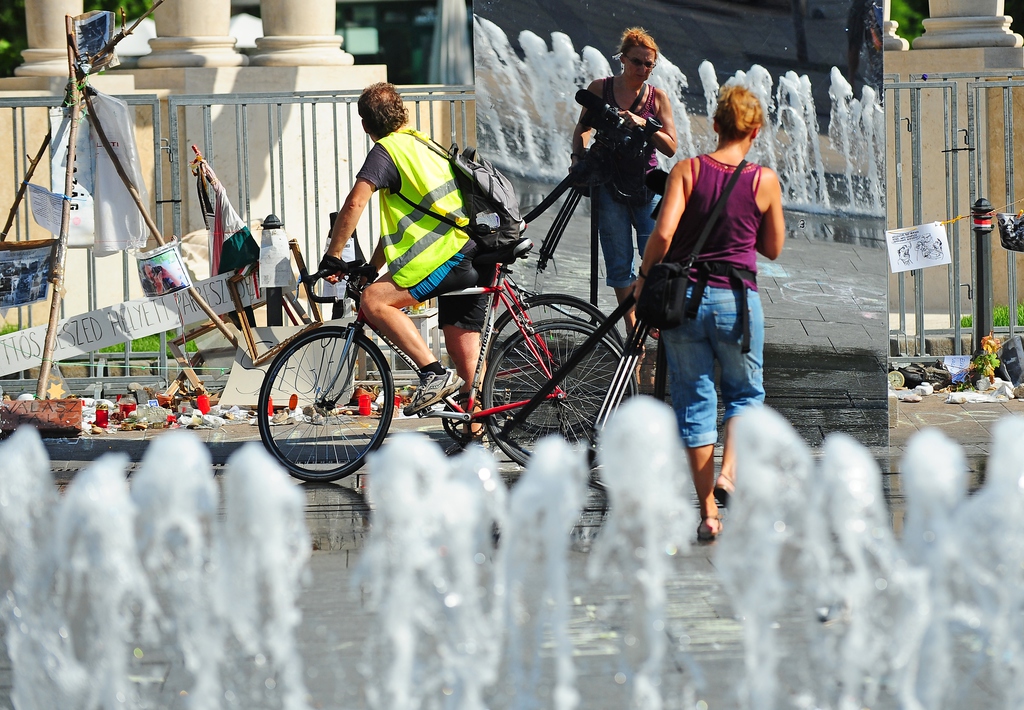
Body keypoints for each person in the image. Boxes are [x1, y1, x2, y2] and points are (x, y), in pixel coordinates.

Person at [632, 84, 785, 542]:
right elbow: (773, 248)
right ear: (755, 131)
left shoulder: (686, 170)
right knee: (744, 394)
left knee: (694, 403)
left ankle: (707, 514)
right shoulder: (764, 181)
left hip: (686, 302)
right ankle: (730, 476)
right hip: (737, 302)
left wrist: (643, 278)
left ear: (715, 125)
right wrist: (741, 226)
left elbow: (662, 235)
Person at [319, 82, 486, 419]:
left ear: (366, 127)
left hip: (446, 255)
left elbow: (355, 202)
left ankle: (432, 373)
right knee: (463, 351)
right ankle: (476, 430)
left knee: (373, 300)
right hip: (469, 248)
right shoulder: (424, 143)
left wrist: (333, 255)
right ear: (402, 112)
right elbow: (413, 221)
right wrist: (372, 266)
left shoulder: (387, 152)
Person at [571, 27, 677, 333]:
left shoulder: (658, 98)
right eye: (637, 62)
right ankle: (633, 330)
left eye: (649, 65)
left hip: (648, 185)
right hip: (608, 185)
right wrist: (577, 160)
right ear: (622, 59)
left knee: (656, 258)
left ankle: (649, 310)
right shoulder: (600, 88)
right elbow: (582, 127)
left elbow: (671, 146)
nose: (643, 69)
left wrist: (644, 123)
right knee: (619, 264)